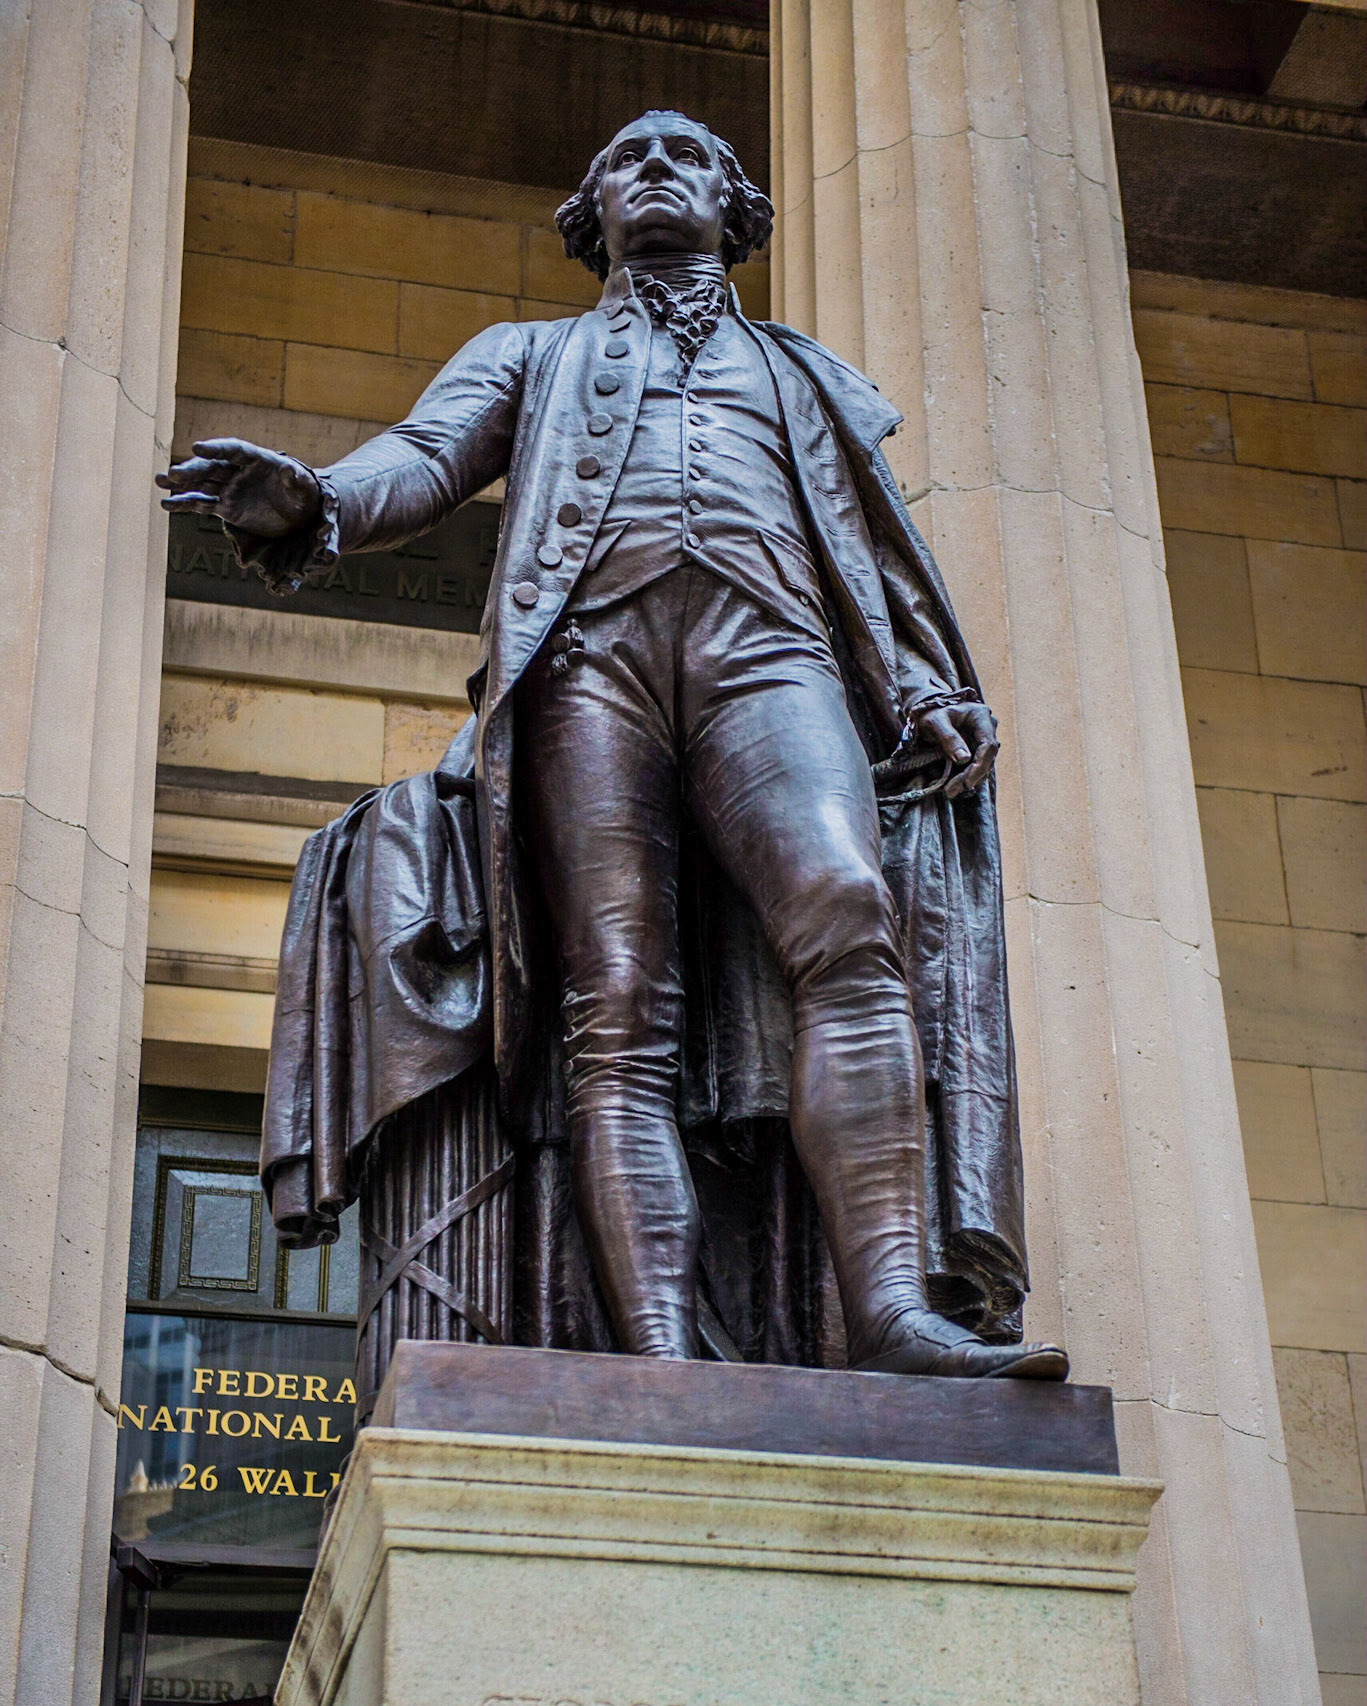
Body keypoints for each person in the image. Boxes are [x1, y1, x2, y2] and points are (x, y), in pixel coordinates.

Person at [158, 110, 1065, 1381]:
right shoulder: (530, 352)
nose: (653, 165)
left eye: (684, 153)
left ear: (733, 208)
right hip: (588, 664)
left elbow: (868, 554)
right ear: (590, 219)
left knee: (849, 913)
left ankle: (892, 1313)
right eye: (625, 157)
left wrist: (919, 679)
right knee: (617, 1000)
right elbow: (422, 458)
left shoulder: (800, 373)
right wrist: (318, 502)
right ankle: (654, 1361)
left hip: (771, 653)